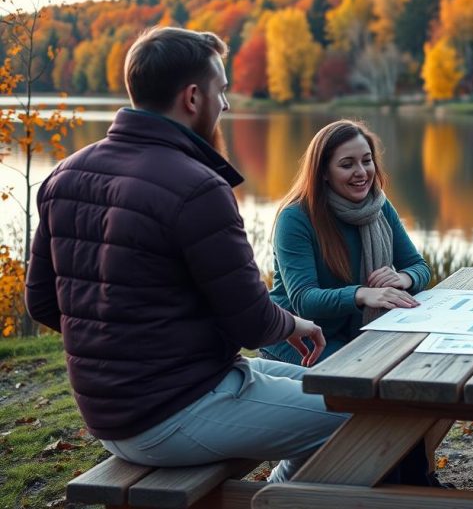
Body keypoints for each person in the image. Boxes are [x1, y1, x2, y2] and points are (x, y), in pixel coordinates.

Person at [25, 26, 345, 483]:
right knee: (362, 416)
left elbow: (41, 304)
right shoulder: (197, 187)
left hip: (110, 412)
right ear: (193, 98)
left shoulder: (65, 174)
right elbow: (250, 323)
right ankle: (280, 497)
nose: (226, 105)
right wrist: (291, 323)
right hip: (172, 410)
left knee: (344, 389)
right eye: (222, 91)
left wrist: (127, 340)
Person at [259, 118, 429, 364]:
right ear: (324, 172)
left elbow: (419, 266)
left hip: (354, 333)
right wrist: (362, 294)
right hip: (301, 337)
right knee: (372, 376)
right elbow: (304, 300)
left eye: (367, 160)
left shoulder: (378, 206)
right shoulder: (295, 218)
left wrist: (404, 278)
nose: (361, 172)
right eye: (347, 165)